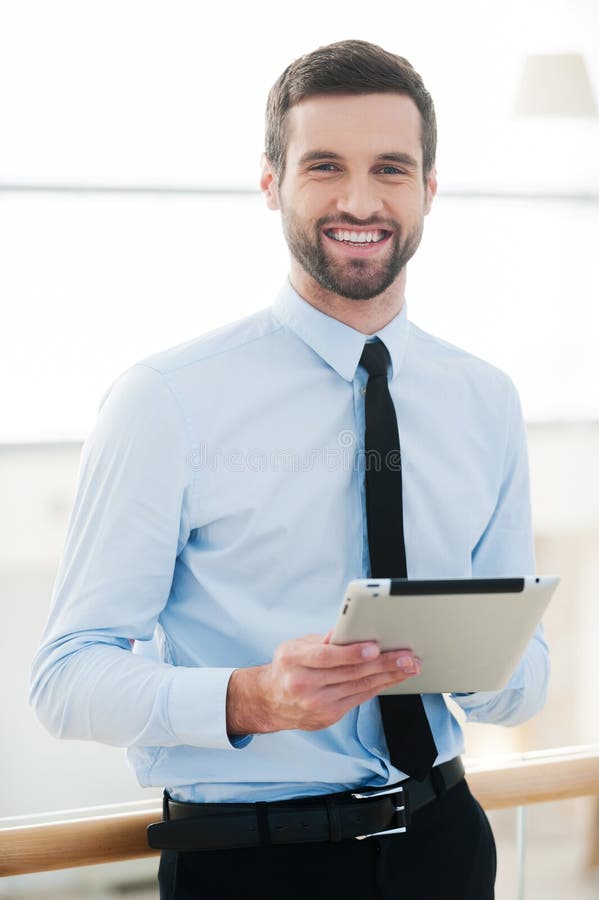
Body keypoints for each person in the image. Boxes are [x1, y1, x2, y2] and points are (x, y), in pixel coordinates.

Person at [31, 39, 550, 900]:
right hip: (252, 864)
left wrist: (481, 663)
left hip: (445, 845)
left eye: (390, 168)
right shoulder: (165, 399)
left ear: (428, 188)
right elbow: (66, 676)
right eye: (323, 167)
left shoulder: (483, 399)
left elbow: (518, 682)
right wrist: (249, 699)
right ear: (271, 183)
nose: (359, 200)